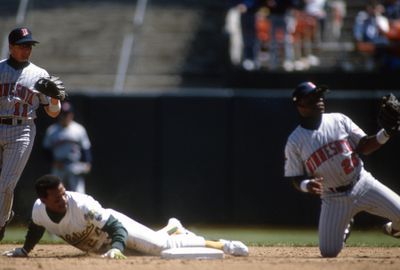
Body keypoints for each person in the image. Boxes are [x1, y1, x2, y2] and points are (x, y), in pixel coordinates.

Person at [2, 174, 249, 259]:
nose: (63, 199)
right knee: (151, 249)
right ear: (44, 200)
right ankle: (172, 227)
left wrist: (118, 248)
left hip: (116, 230)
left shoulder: (83, 204)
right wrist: (25, 250)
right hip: (103, 247)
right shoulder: (38, 210)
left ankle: (221, 244)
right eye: (57, 198)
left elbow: (116, 227)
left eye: (64, 193)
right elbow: (36, 227)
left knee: (159, 248)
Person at [284, 81, 400, 257]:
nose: (320, 99)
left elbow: (364, 146)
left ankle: (393, 230)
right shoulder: (295, 141)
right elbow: (295, 178)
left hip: (362, 183)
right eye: (313, 97)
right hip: (333, 197)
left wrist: (386, 133)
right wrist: (306, 185)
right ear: (299, 104)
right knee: (328, 252)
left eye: (320, 95)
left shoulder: (338, 119)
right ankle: (345, 224)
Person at [0, 27, 62, 241]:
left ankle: (0, 223)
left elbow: (53, 112)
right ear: (10, 47)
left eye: (30, 46)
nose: (27, 49)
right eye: (22, 45)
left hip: (21, 129)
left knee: (6, 184)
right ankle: (5, 215)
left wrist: (54, 99)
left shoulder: (40, 74)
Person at [43, 101, 92, 194]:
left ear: (72, 114)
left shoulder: (79, 129)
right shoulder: (52, 130)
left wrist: (87, 162)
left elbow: (86, 148)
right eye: (63, 114)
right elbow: (45, 149)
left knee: (79, 194)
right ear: (59, 114)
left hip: (74, 165)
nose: (65, 116)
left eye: (67, 114)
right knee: (55, 192)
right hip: (59, 165)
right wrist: (53, 162)